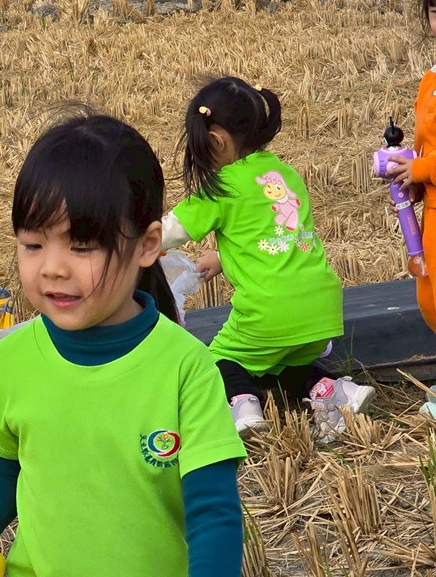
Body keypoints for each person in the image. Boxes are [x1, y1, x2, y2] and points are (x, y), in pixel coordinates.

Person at [0, 109, 247, 577]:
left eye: (82, 247)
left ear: (147, 245)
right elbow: (5, 470)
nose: (53, 268)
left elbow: (213, 511)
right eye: (33, 245)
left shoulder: (184, 368)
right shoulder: (10, 361)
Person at [160, 76, 375, 440]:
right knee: (278, 361)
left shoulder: (222, 187)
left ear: (216, 140)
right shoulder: (284, 173)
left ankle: (244, 406)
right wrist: (223, 257)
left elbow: (170, 231)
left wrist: (131, 242)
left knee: (218, 361)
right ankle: (333, 390)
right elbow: (275, 236)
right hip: (321, 307)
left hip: (269, 313)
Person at [381, 0, 436, 334]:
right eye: (435, 11)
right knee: (430, 299)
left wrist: (423, 170)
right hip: (432, 215)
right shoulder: (430, 80)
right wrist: (415, 183)